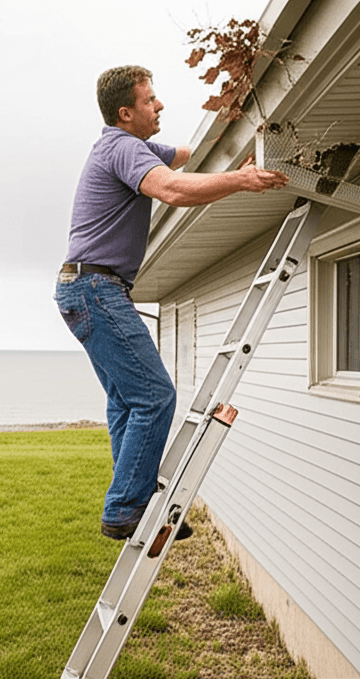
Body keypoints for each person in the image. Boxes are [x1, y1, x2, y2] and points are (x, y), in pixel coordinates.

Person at [55, 65, 288, 541]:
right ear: (126, 113)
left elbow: (186, 156)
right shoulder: (123, 149)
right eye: (150, 100)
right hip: (96, 289)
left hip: (85, 288)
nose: (160, 105)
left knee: (126, 401)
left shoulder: (132, 147)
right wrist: (240, 181)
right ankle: (125, 506)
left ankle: (131, 499)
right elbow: (172, 189)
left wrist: (234, 135)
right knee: (155, 395)